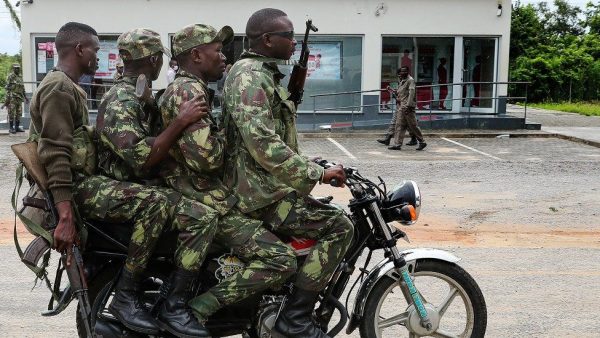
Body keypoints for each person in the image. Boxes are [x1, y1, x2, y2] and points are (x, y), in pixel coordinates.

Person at [221, 8, 354, 338]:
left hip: (267, 186)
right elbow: (262, 142)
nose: (294, 42)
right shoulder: (249, 77)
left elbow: (277, 136)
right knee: (339, 226)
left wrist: (313, 164)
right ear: (267, 39)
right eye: (288, 36)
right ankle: (295, 319)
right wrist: (315, 175)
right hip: (258, 195)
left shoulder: (263, 74)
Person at [159, 23, 297, 329]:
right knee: (281, 259)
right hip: (201, 198)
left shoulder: (195, 89)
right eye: (218, 50)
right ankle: (194, 309)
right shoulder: (187, 91)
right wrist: (233, 138)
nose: (224, 57)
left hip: (207, 196)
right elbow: (206, 159)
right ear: (196, 55)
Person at [97, 28, 220, 338]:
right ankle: (154, 300)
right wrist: (181, 122)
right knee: (199, 217)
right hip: (116, 186)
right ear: (152, 60)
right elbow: (141, 158)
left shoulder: (138, 93)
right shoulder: (120, 99)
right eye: (159, 60)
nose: (162, 66)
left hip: (135, 184)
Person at [388, 66, 427, 151]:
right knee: (399, 125)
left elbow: (411, 93)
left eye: (404, 71)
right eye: (401, 71)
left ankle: (422, 141)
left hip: (407, 107)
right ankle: (397, 144)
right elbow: (400, 92)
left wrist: (408, 106)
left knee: (413, 126)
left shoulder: (410, 80)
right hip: (401, 106)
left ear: (408, 72)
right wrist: (392, 90)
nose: (402, 73)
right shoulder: (402, 81)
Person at [5, 63, 28, 133]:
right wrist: (7, 99)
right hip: (12, 97)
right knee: (11, 113)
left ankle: (17, 127)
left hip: (19, 98)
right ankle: (11, 128)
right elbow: (7, 88)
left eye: (18, 68)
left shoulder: (20, 77)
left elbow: (23, 88)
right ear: (13, 68)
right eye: (15, 68)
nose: (17, 69)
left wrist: (25, 97)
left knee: (19, 113)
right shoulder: (10, 76)